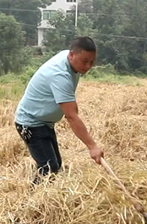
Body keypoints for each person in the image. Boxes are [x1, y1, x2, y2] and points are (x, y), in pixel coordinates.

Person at [14, 36, 103, 182]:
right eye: (85, 61)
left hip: (44, 122)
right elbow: (71, 116)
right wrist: (92, 146)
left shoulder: (68, 60)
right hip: (31, 124)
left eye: (92, 62)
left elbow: (71, 108)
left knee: (54, 165)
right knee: (49, 169)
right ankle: (33, 202)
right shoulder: (59, 75)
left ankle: (38, 196)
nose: (88, 66)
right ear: (72, 55)